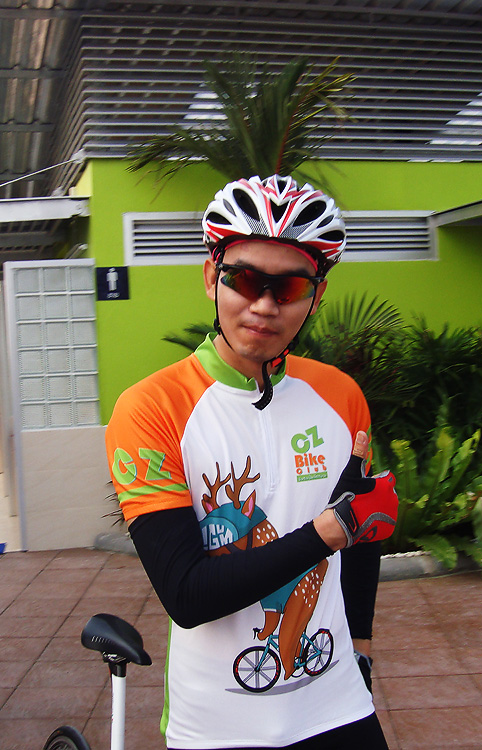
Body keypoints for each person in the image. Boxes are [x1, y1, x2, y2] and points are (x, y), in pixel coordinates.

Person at [105, 175, 399, 749]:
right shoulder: (151, 409)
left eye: (288, 287)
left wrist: (361, 644)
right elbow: (188, 595)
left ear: (315, 295)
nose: (264, 305)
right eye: (244, 280)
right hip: (216, 724)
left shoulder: (341, 395)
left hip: (338, 702)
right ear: (211, 277)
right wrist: (326, 532)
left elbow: (361, 535)